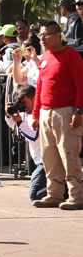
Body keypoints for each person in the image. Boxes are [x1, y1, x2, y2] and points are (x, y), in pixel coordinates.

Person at [31, 20, 83, 210]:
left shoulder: (71, 56)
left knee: (69, 154)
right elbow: (40, 87)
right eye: (40, 35)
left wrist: (79, 110)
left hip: (66, 111)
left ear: (58, 35)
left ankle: (77, 195)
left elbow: (81, 84)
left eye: (46, 35)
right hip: (46, 112)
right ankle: (54, 194)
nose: (42, 39)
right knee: (49, 156)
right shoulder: (45, 56)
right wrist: (36, 114)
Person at [4, 84, 46, 201]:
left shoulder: (41, 113)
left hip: (47, 162)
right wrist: (9, 115)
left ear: (34, 98)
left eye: (24, 102)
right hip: (40, 161)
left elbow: (34, 136)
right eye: (19, 102)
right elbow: (13, 125)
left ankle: (65, 190)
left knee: (35, 195)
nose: (23, 106)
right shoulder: (24, 113)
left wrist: (19, 122)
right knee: (37, 192)